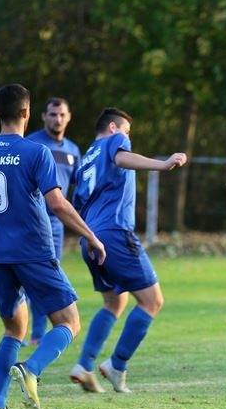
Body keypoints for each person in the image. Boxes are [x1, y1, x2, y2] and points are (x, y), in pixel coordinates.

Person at [0, 83, 105, 409]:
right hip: (33, 251)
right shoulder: (36, 152)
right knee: (69, 322)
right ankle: (31, 368)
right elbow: (57, 203)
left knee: (14, 329)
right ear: (27, 113)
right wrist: (91, 236)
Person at [69, 108, 187, 393]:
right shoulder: (114, 142)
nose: (127, 138)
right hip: (114, 233)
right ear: (113, 127)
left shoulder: (86, 160)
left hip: (90, 238)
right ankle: (117, 366)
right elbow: (122, 157)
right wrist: (163, 164)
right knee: (152, 301)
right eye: (127, 133)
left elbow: (76, 203)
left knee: (114, 303)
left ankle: (84, 366)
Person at [25, 97, 81, 344]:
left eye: (61, 115)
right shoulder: (32, 144)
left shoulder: (72, 150)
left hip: (56, 225)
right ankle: (31, 332)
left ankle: (38, 334)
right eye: (52, 114)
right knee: (27, 277)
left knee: (47, 278)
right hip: (31, 221)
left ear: (68, 117)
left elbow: (76, 189)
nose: (57, 119)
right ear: (43, 117)